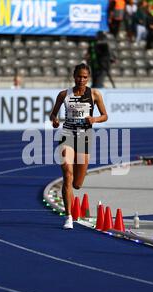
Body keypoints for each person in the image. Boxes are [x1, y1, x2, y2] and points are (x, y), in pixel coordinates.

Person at [49, 64, 108, 229]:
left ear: (88, 78)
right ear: (73, 76)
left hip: (84, 138)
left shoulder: (95, 94)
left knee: (77, 184)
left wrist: (95, 119)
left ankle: (73, 191)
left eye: (84, 77)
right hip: (66, 135)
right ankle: (68, 216)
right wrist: (54, 119)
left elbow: (105, 115)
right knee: (67, 174)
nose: (81, 80)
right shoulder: (63, 95)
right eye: (78, 76)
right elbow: (53, 113)